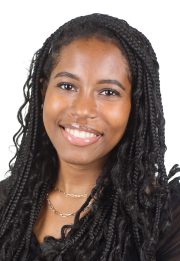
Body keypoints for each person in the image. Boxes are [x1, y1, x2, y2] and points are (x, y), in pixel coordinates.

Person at [0, 13, 179, 261]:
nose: (83, 109)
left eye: (108, 91)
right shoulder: (6, 203)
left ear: (134, 105)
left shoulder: (165, 215)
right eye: (67, 86)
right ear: (44, 90)